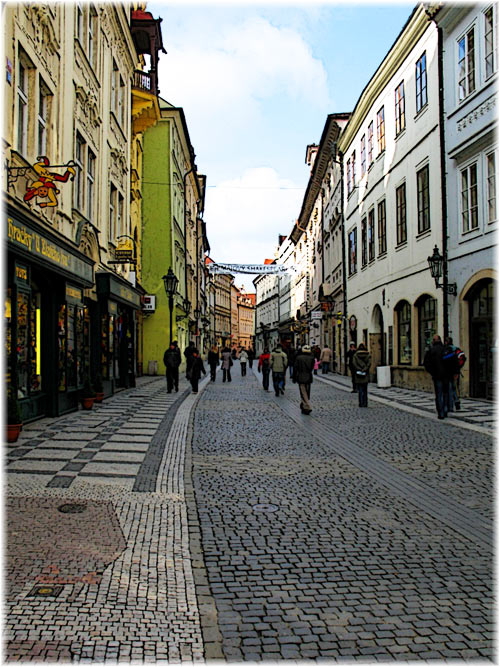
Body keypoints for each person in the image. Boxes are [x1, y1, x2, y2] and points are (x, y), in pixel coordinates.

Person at [424, 334, 456, 419]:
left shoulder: (431, 350)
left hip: (437, 376)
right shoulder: (446, 349)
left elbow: (426, 364)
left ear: (434, 341)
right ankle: (445, 410)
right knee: (445, 393)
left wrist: (432, 372)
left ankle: (441, 413)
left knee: (439, 394)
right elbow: (453, 362)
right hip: (446, 376)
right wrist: (452, 373)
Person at [293, 344, 315, 414]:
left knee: (303, 392)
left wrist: (294, 377)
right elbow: (312, 367)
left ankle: (307, 406)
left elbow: (295, 368)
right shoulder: (312, 358)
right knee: (307, 392)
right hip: (308, 376)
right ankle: (304, 405)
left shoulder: (298, 358)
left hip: (301, 376)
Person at [352, 342, 371, 407]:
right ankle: (365, 403)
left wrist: (359, 369)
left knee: (360, 390)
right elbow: (369, 364)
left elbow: (354, 364)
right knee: (365, 390)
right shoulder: (368, 355)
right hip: (365, 374)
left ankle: (361, 403)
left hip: (358, 374)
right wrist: (364, 369)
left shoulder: (355, 355)